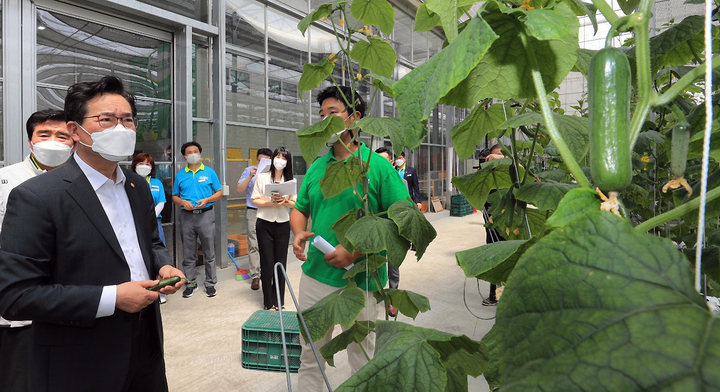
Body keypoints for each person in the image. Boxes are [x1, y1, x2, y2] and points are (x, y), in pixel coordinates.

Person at [0, 75, 185, 392]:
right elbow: (16, 297)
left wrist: (163, 264)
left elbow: (150, 243)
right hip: (79, 360)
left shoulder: (136, 186)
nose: (121, 129)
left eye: (127, 120)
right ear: (75, 130)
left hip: (146, 350)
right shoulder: (37, 197)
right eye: (107, 120)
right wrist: (112, 298)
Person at [291, 86, 411, 391]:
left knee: (362, 358)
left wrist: (355, 252)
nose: (324, 121)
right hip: (315, 276)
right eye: (320, 115)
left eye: (332, 114)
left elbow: (400, 220)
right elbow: (300, 208)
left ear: (355, 117)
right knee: (310, 354)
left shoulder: (377, 166)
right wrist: (298, 232)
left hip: (362, 280)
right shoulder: (318, 165)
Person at [0, 109, 74, 392]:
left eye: (61, 135)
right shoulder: (6, 179)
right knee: (21, 379)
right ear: (31, 140)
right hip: (21, 310)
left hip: (72, 301)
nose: (53, 141)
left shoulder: (85, 184)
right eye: (44, 134)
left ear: (74, 140)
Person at [172, 141, 222, 298]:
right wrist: (182, 202)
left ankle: (210, 283)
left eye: (195, 151)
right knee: (188, 252)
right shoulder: (180, 175)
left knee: (209, 251)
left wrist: (207, 200)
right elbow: (174, 196)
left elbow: (219, 192)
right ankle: (190, 283)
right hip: (186, 217)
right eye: (189, 152)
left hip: (206, 215)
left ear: (200, 154)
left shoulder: (209, 172)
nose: (193, 154)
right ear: (184, 156)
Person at [251, 147, 296, 310]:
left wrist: (284, 201)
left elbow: (294, 203)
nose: (280, 159)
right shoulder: (262, 177)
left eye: (283, 157)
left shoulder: (290, 180)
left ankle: (279, 301)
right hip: (264, 222)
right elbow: (254, 199)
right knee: (267, 261)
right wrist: (271, 202)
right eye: (277, 156)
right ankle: (268, 301)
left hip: (283, 223)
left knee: (281, 261)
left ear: (287, 161)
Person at [237, 148, 273, 291]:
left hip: (269, 210)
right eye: (259, 160)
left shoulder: (275, 173)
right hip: (253, 211)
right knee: (254, 244)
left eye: (265, 161)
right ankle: (255, 276)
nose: (261, 163)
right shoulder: (249, 170)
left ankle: (268, 273)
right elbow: (239, 189)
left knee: (270, 244)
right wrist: (251, 176)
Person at [374, 146, 400, 317]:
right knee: (375, 263)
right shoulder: (371, 180)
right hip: (375, 230)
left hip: (392, 230)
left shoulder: (399, 182)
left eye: (384, 160)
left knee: (393, 266)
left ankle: (392, 298)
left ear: (391, 162)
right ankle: (375, 295)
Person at [480, 144, 506, 306]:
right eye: (495, 155)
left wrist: (502, 158)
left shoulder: (511, 171)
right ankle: (494, 295)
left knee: (507, 256)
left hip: (509, 220)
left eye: (502, 155)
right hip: (491, 221)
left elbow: (520, 165)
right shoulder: (489, 174)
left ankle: (503, 294)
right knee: (493, 255)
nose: (496, 158)